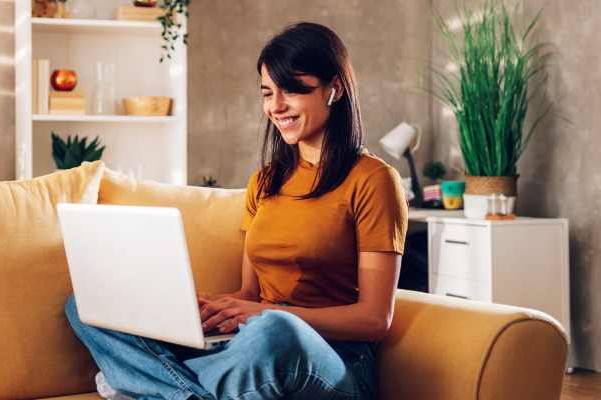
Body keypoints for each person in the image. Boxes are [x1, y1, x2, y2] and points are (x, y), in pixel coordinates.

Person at [65, 21, 408, 400]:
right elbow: (250, 292)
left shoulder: (375, 179)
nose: (276, 106)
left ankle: (152, 384)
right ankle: (190, 391)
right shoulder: (264, 182)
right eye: (267, 92)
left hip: (328, 357)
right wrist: (200, 308)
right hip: (250, 345)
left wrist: (265, 317)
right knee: (85, 304)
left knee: (275, 331)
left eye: (292, 90)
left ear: (335, 89)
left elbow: (376, 319)